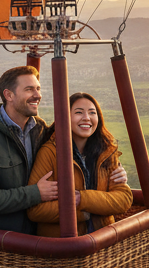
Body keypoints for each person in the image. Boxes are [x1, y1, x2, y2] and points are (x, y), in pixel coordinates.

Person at [0, 66, 127, 233]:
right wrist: (35, 193)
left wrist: (117, 174)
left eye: (38, 89)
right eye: (29, 89)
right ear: (9, 95)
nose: (37, 95)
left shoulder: (39, 130)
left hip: (31, 237)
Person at [27, 92, 133, 236]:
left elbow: (124, 199)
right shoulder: (50, 153)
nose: (86, 118)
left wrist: (82, 199)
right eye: (79, 112)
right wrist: (84, 212)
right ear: (65, 117)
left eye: (92, 112)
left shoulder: (106, 152)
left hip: (103, 240)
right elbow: (35, 210)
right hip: (63, 244)